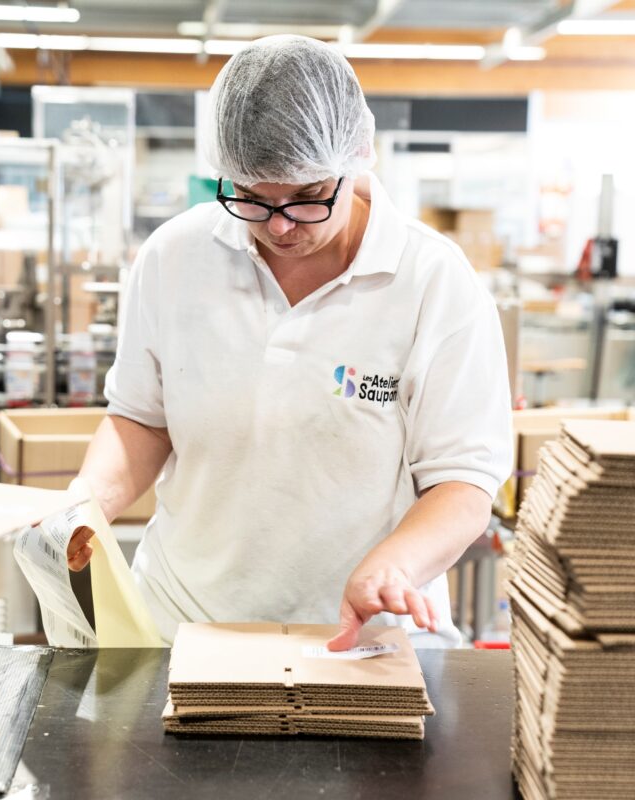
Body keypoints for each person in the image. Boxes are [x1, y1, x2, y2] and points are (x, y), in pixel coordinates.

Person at [69, 35, 512, 650]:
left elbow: (463, 481)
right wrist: (82, 508)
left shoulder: (432, 280)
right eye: (251, 197)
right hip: (185, 625)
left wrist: (396, 566)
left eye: (306, 198)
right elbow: (142, 420)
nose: (278, 226)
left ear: (355, 157)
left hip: (361, 639)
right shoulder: (176, 256)